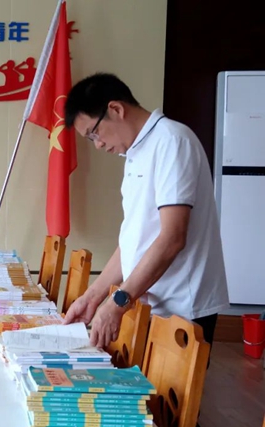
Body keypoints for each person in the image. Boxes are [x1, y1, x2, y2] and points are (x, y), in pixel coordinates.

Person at [61, 72, 230, 355]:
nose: (98, 144)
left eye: (94, 133)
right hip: (149, 299)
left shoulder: (172, 142)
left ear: (116, 109)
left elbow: (172, 237)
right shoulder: (135, 153)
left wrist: (117, 302)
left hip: (181, 306)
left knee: (166, 385)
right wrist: (92, 297)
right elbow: (133, 241)